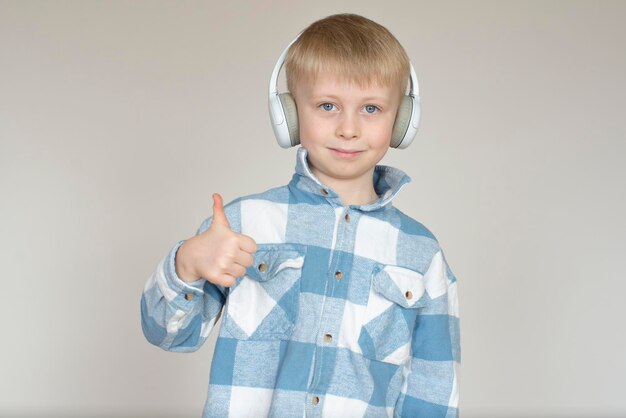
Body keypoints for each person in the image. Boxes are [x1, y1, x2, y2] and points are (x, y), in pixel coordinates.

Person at [141, 13, 460, 418]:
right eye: (328, 105)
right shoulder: (242, 225)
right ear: (289, 114)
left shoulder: (422, 254)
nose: (348, 128)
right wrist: (186, 262)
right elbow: (168, 334)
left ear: (401, 121)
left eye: (371, 108)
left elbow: (433, 392)